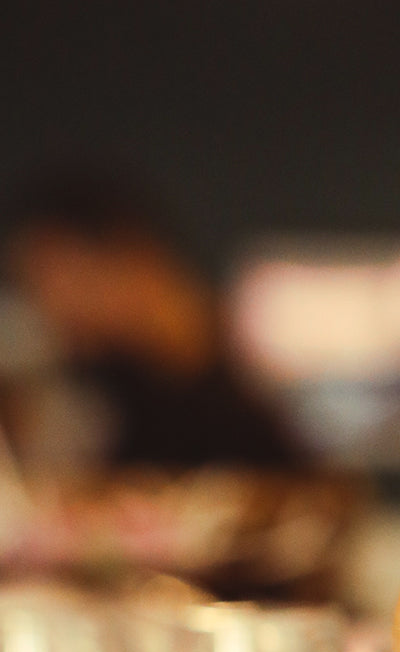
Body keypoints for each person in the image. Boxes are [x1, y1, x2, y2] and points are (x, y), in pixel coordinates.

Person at [3, 168, 309, 472]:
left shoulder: (250, 373)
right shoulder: (112, 379)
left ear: (129, 254)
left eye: (55, 277)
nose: (49, 305)